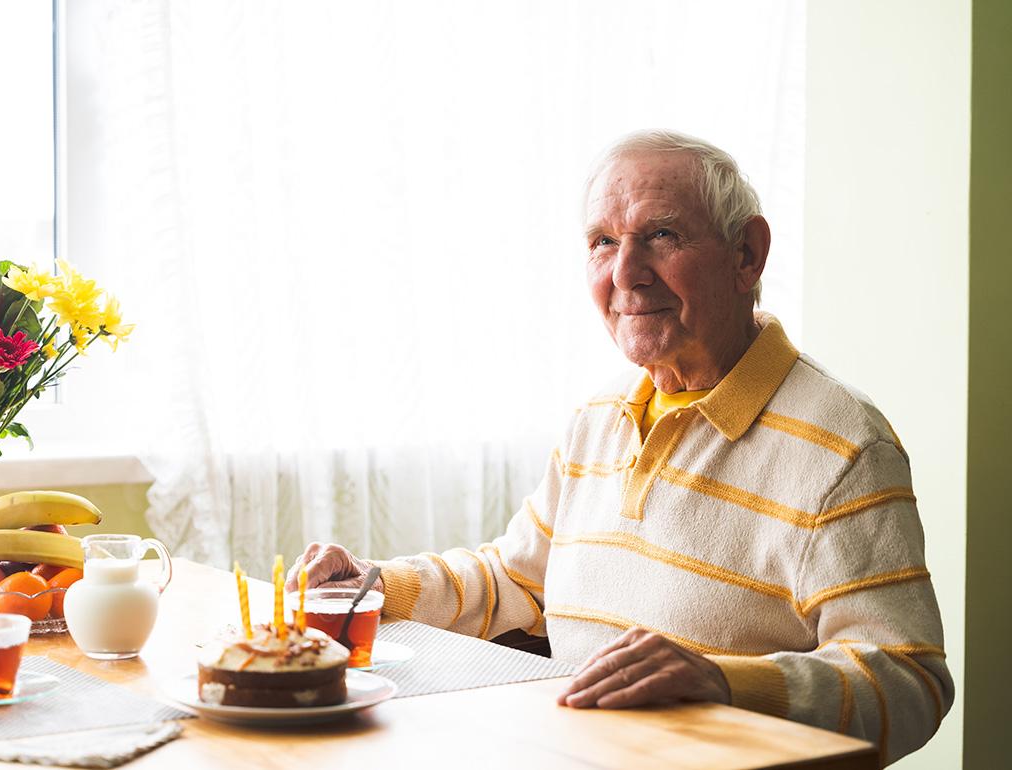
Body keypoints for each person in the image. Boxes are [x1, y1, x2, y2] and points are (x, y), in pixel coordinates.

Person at [289, 130, 952, 765]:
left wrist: (723, 685)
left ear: (747, 254)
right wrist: (372, 587)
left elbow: (908, 683)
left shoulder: (843, 445)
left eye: (662, 235)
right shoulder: (599, 416)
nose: (626, 274)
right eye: (603, 242)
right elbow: (516, 577)